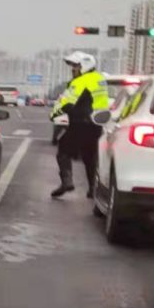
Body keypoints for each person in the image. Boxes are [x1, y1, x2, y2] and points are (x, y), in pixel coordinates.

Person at [49, 50, 109, 199]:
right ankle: (92, 189)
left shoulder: (79, 82)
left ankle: (67, 181)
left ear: (84, 66)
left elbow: (67, 103)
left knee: (63, 150)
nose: (73, 69)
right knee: (90, 157)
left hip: (79, 122)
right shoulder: (99, 79)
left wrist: (55, 114)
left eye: (75, 66)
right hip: (95, 125)